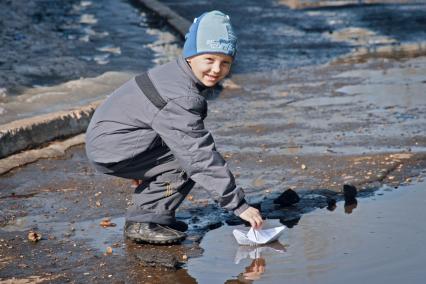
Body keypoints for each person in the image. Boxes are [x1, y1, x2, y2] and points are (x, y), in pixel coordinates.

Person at [85, 10, 263, 244]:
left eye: (225, 62)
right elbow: (198, 155)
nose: (216, 69)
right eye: (209, 60)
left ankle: (158, 215)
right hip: (113, 147)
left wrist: (148, 163)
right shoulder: (181, 97)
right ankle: (144, 221)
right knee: (186, 159)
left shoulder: (175, 73)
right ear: (190, 56)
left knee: (183, 154)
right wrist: (238, 205)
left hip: (115, 140)